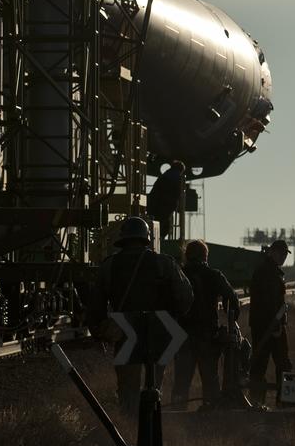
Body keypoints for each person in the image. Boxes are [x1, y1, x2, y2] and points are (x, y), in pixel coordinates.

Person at [86, 216, 193, 415]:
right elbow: (186, 296)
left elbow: (95, 305)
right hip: (159, 333)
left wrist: (99, 332)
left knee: (128, 391)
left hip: (125, 333)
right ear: (147, 238)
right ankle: (152, 426)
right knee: (154, 388)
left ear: (123, 239)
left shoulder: (109, 266)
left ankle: (130, 431)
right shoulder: (164, 263)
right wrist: (172, 317)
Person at [171, 239, 240, 411]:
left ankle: (177, 415)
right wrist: (231, 322)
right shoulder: (214, 275)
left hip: (182, 338)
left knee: (181, 382)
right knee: (210, 381)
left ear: (186, 256)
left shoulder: (179, 274)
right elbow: (232, 300)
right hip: (207, 337)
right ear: (205, 256)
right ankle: (211, 415)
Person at [248, 238, 292, 407]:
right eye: (280, 253)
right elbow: (269, 301)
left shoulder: (268, 270)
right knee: (280, 363)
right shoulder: (268, 272)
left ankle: (258, 401)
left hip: (267, 325)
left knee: (262, 364)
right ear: (272, 252)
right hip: (269, 326)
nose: (283, 257)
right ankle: (283, 401)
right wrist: (275, 325)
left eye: (284, 254)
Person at [147, 160, 185, 239]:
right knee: (163, 224)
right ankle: (157, 237)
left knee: (158, 223)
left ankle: (154, 236)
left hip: (154, 203)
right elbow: (176, 193)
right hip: (165, 205)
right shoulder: (176, 177)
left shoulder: (165, 175)